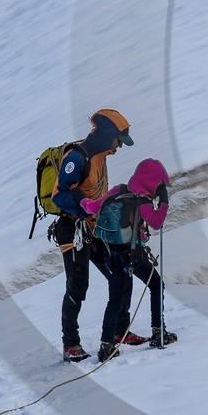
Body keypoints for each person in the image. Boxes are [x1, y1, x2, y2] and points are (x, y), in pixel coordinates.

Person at [51, 108, 133, 362]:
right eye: (118, 141)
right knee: (78, 284)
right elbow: (60, 195)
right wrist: (86, 206)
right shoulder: (77, 157)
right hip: (72, 229)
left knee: (119, 273)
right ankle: (70, 343)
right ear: (108, 134)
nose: (118, 147)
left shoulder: (100, 157)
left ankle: (120, 332)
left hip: (92, 228)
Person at [85, 158, 178, 357]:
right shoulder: (141, 200)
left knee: (115, 298)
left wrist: (81, 201)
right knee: (156, 284)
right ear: (153, 181)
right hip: (131, 254)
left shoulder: (118, 190)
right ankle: (158, 332)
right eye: (160, 184)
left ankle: (106, 345)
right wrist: (163, 202)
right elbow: (156, 223)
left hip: (110, 253)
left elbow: (92, 208)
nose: (160, 187)